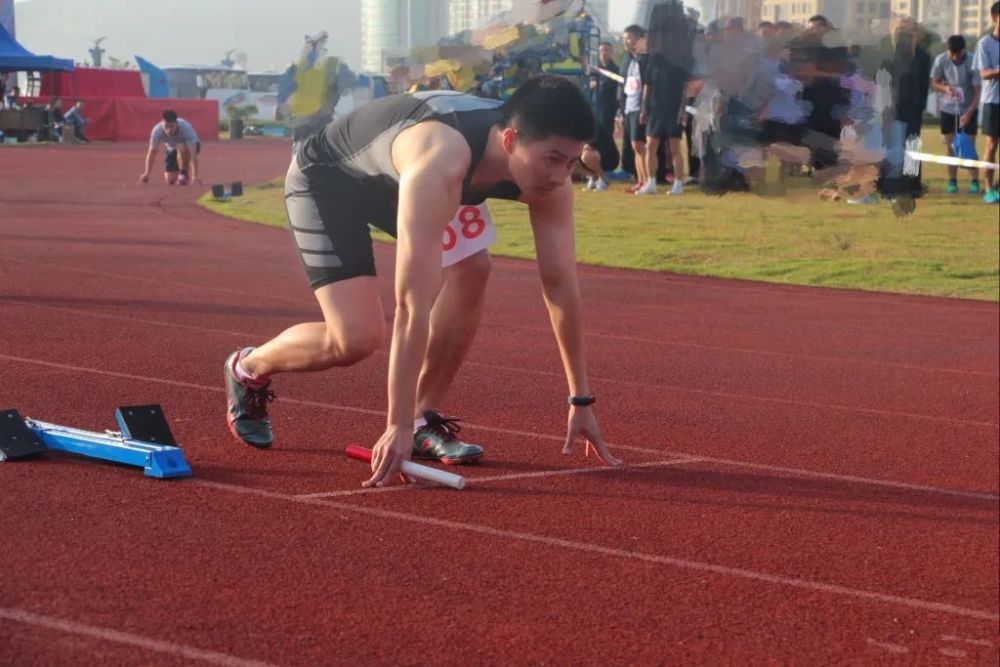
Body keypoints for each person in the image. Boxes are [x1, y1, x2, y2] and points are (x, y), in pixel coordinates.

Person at [223, 75, 622, 488]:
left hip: (404, 174)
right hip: (329, 180)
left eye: (572, 163)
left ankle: (421, 418)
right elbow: (414, 304)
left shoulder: (549, 179)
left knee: (473, 270)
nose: (561, 176)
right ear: (509, 140)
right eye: (553, 159)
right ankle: (248, 367)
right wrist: (390, 424)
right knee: (356, 338)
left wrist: (581, 399)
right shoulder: (442, 162)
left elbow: (560, 286)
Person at [931, 35, 982, 194]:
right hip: (948, 109)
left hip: (968, 109)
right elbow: (935, 83)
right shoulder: (941, 60)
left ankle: (974, 181)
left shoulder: (973, 62)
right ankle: (952, 182)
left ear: (963, 50)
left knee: (968, 146)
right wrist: (945, 89)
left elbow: (977, 93)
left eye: (957, 53)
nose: (953, 56)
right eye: (951, 53)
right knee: (950, 146)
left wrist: (968, 113)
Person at [973, 2, 1000, 204]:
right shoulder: (985, 43)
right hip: (993, 102)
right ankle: (989, 189)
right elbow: (984, 73)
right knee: (991, 145)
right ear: (994, 18)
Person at [619, 25, 650, 193]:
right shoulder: (628, 60)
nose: (626, 41)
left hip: (640, 106)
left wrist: (644, 108)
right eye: (625, 38)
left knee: (640, 145)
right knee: (635, 146)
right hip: (629, 107)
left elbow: (647, 84)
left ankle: (647, 180)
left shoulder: (645, 59)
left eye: (630, 37)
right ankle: (640, 180)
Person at [139, 110, 201, 185]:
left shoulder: (186, 129)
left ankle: (183, 173)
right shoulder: (157, 130)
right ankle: (179, 167)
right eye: (166, 127)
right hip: (172, 148)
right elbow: (152, 151)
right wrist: (147, 173)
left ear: (177, 124)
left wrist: (194, 176)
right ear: (162, 123)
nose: (169, 130)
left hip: (190, 146)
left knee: (181, 147)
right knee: (170, 180)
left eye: (172, 126)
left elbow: (193, 154)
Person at [580, 123, 620, 191]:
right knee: (571, 160)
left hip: (609, 158)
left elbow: (590, 145)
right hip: (596, 155)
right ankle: (593, 178)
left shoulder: (592, 124)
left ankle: (603, 179)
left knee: (586, 155)